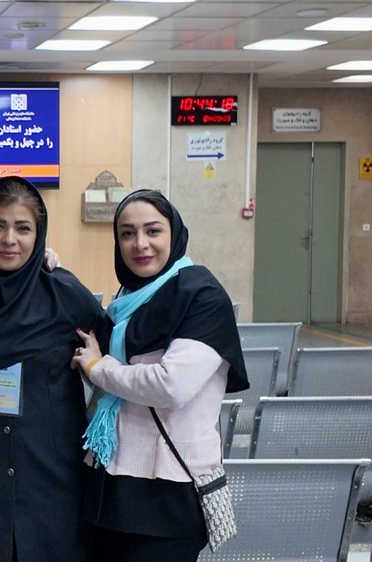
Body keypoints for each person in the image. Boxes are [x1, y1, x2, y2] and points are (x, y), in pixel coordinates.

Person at [70, 189, 248, 562]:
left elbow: (171, 385)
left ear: (174, 234)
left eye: (153, 231)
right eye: (127, 233)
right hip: (109, 483)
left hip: (167, 493)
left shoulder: (202, 296)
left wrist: (100, 369)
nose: (140, 244)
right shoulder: (127, 300)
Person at [0, 176, 109, 562]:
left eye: (23, 228)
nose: (9, 239)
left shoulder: (64, 294)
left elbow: (111, 356)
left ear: (39, 235)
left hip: (51, 480)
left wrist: (96, 367)